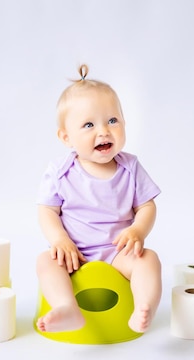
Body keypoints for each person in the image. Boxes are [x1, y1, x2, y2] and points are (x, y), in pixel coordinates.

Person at [35, 64, 162, 334]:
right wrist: (60, 240)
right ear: (66, 137)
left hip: (119, 253)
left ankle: (143, 307)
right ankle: (66, 308)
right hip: (75, 253)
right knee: (45, 262)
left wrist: (138, 230)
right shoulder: (61, 172)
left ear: (124, 123)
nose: (103, 131)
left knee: (149, 260)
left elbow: (147, 206)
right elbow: (47, 211)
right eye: (89, 125)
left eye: (112, 121)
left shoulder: (131, 167)